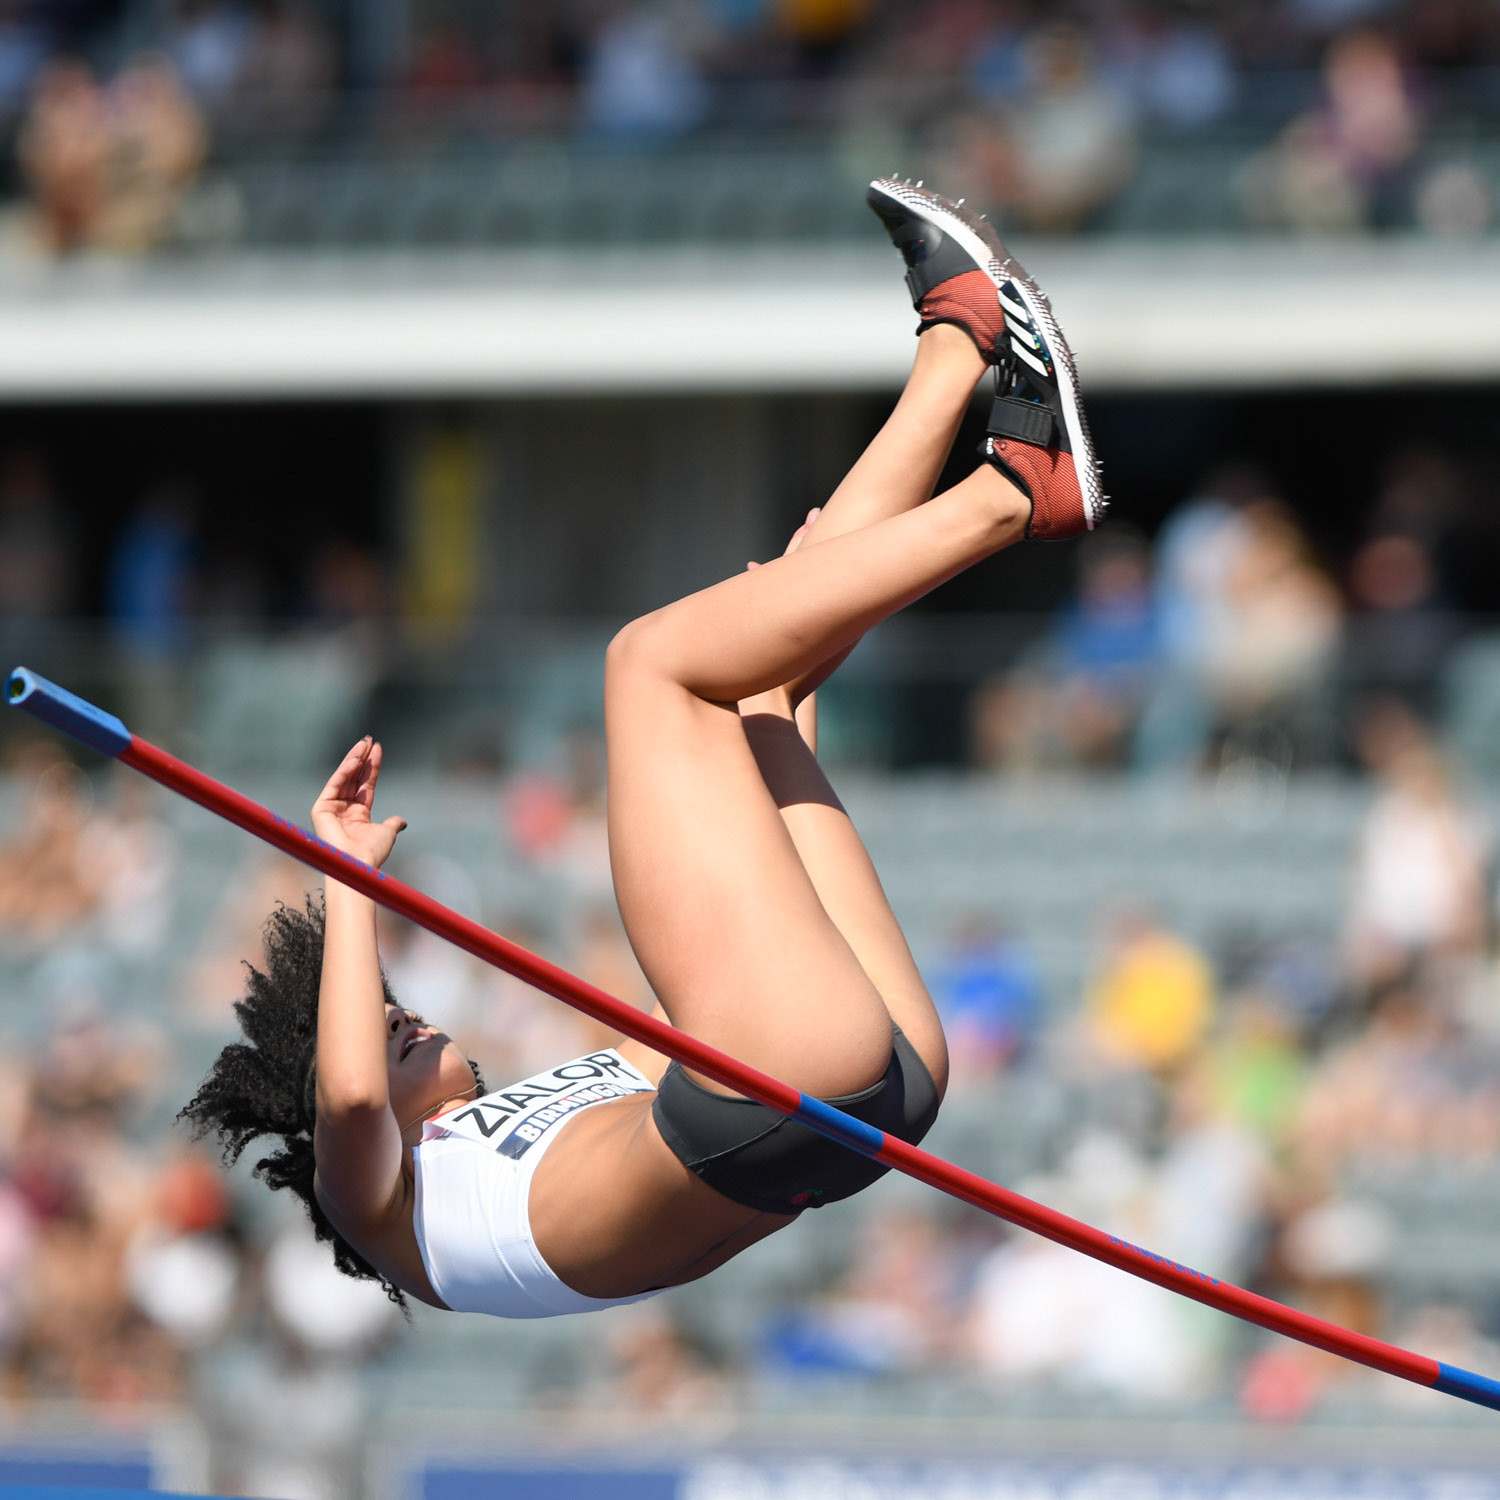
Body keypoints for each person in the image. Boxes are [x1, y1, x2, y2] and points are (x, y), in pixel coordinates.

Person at [181, 179, 1104, 1318]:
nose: (414, 1022)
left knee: (766, 666)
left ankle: (957, 357)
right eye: (390, 1028)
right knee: (648, 664)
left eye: (394, 1015)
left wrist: (806, 603)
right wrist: (346, 878)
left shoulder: (542, 1127)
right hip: (790, 1095)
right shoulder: (377, 1206)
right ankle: (1014, 493)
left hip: (854, 1095)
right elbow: (358, 1104)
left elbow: (761, 790)